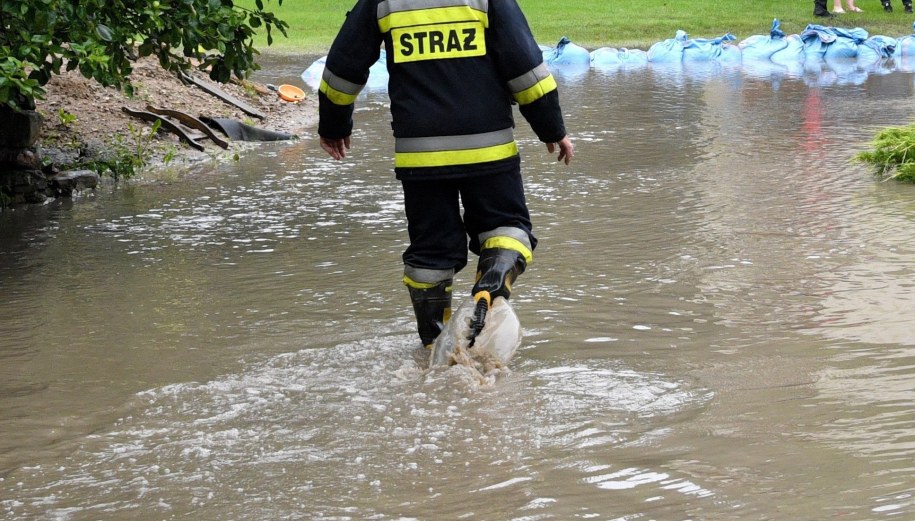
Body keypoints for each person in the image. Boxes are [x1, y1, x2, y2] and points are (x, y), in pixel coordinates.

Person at [318, 0, 574, 348]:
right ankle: (491, 286)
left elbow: (343, 67)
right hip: (489, 150)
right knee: (506, 227)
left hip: (421, 157)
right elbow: (525, 69)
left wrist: (334, 125)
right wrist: (552, 129)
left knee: (430, 253)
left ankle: (435, 343)